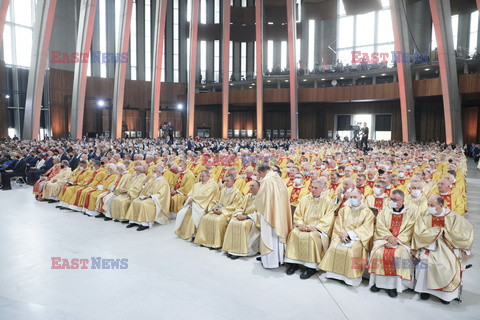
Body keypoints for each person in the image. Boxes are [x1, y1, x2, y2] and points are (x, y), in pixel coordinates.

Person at [412, 194, 473, 304]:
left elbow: (465, 233)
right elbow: (419, 233)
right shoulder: (424, 215)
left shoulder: (453, 217)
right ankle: (424, 291)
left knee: (445, 265)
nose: (428, 207)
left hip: (448, 246)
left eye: (432, 205)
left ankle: (445, 294)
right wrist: (437, 232)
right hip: (429, 244)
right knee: (425, 263)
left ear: (441, 205)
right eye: (428, 204)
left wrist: (445, 233)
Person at [319, 189, 375, 286]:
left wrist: (350, 234)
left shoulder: (367, 212)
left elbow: (366, 228)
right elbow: (338, 224)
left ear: (361, 198)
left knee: (350, 251)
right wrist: (341, 234)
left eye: (355, 197)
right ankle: (332, 274)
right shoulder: (344, 209)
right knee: (334, 247)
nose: (352, 199)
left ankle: (349, 279)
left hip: (357, 237)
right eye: (351, 197)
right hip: (341, 235)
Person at [368, 190, 416, 297]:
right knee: (378, 253)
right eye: (392, 199)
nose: (393, 202)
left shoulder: (410, 214)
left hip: (401, 243)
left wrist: (396, 241)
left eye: (396, 200)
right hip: (384, 240)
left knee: (398, 255)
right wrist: (389, 238)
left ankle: (394, 287)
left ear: (403, 200)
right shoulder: (384, 211)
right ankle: (378, 283)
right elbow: (379, 227)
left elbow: (409, 230)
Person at [284, 179, 336, 279]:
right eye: (312, 187)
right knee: (294, 233)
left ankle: (311, 267)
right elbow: (298, 213)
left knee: (312, 237)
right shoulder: (305, 198)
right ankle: (294, 263)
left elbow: (328, 218)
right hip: (304, 226)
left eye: (316, 188)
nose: (313, 189)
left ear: (322, 189)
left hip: (317, 229)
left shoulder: (328, 201)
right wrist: (300, 224)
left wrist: (316, 227)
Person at [254, 164, 292, 269]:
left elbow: (261, 199)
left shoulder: (266, 180)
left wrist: (258, 206)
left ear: (261, 172)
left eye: (259, 174)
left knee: (269, 236)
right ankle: (279, 259)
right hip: (280, 211)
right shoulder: (278, 178)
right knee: (277, 236)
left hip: (269, 212)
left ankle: (270, 261)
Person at [194, 174, 243, 248]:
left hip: (227, 213)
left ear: (233, 181)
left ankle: (217, 243)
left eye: (228, 181)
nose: (225, 182)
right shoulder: (222, 190)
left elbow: (236, 205)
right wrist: (214, 208)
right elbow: (216, 200)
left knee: (218, 220)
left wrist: (222, 210)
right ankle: (205, 241)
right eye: (225, 181)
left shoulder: (237, 192)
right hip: (217, 210)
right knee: (205, 218)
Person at [174, 170, 219, 241]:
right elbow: (190, 194)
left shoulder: (212, 185)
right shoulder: (197, 184)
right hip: (194, 203)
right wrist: (190, 200)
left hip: (205, 204)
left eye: (203, 176)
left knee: (193, 215)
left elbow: (206, 196)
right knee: (183, 213)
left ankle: (192, 234)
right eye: (200, 176)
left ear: (208, 176)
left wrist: (194, 200)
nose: (201, 178)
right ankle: (182, 232)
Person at [124, 165, 171, 231]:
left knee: (144, 204)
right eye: (153, 171)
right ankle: (134, 221)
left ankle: (145, 224)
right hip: (147, 196)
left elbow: (162, 194)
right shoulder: (153, 180)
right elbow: (146, 188)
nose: (153, 173)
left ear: (159, 172)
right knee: (135, 201)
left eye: (155, 171)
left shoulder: (163, 182)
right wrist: (145, 184)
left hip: (155, 199)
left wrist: (150, 196)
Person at [222, 180, 261, 259]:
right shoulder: (247, 196)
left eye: (253, 186)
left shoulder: (262, 198)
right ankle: (231, 249)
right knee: (233, 221)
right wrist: (239, 213)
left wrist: (247, 217)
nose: (250, 187)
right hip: (243, 216)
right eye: (250, 186)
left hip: (253, 219)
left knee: (242, 225)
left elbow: (261, 213)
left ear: (259, 187)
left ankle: (240, 251)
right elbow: (240, 206)